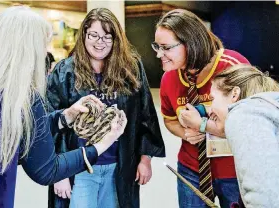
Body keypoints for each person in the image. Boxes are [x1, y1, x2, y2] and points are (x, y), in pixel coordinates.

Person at [0, 6, 127, 208]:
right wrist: (104, 143)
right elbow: (46, 169)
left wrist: (65, 116)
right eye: (43, 45)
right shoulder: (22, 97)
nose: (45, 53)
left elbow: (25, 133)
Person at [47, 8, 165, 208]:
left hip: (119, 166)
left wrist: (145, 159)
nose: (99, 42)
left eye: (107, 37)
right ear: (84, 34)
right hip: (79, 168)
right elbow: (52, 123)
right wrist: (58, 173)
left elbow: (146, 116)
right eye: (93, 35)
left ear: (116, 39)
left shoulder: (131, 70)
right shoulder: (65, 72)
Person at [155, 9, 250, 208]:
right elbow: (170, 119)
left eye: (165, 48)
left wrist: (203, 125)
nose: (158, 54)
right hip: (191, 170)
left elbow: (250, 126)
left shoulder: (232, 67)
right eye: (157, 46)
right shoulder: (169, 78)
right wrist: (184, 132)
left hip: (234, 172)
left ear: (190, 43)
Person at [182, 64, 279, 207]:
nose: (210, 111)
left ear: (234, 94)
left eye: (213, 99)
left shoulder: (244, 115)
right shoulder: (267, 112)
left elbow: (265, 199)